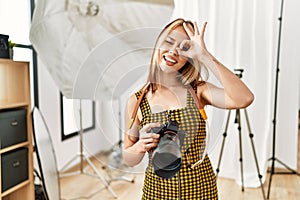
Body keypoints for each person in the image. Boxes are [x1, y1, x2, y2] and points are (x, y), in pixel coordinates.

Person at [122, 18, 254, 199]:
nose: (174, 51)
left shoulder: (198, 91)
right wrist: (139, 146)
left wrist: (205, 55)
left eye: (184, 48)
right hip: (156, 192)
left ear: (189, 58)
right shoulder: (137, 102)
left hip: (200, 189)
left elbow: (244, 99)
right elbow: (129, 159)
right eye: (168, 42)